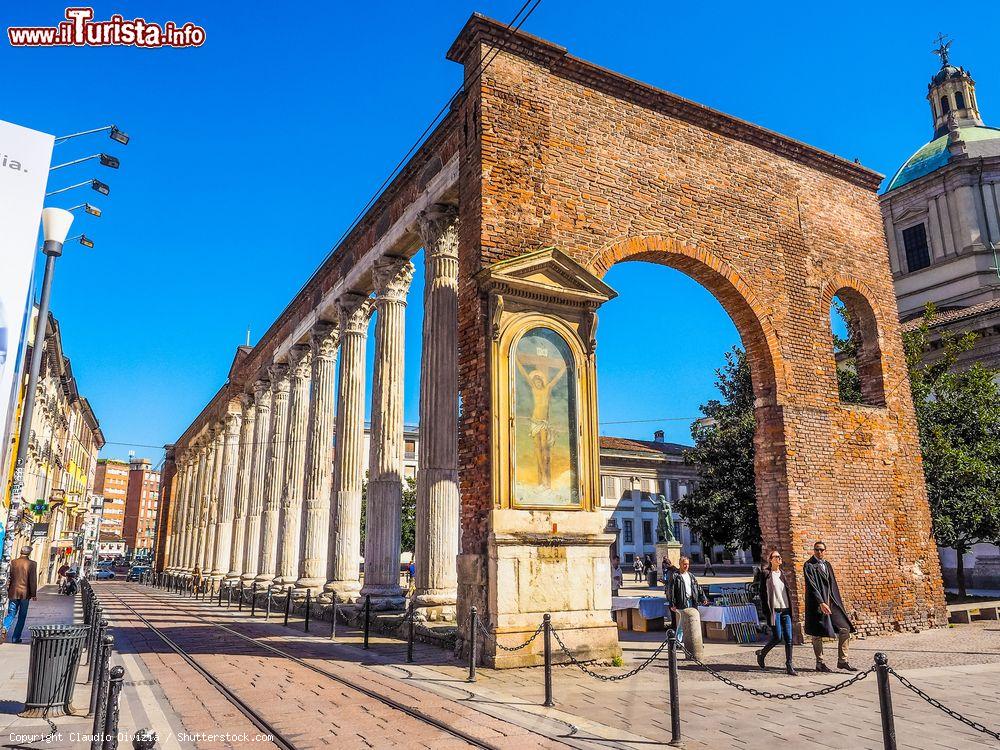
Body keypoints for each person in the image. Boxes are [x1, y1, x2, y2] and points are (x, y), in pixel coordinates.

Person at [803, 541, 856, 672]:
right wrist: (821, 602)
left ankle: (843, 661)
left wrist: (836, 602)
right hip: (817, 604)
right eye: (816, 550)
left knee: (845, 628)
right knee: (817, 634)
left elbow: (833, 585)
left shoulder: (827, 564)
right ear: (813, 550)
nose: (819, 552)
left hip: (832, 603)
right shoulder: (809, 565)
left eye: (821, 550)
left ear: (825, 551)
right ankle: (819, 663)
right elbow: (812, 586)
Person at [755, 550, 797, 676]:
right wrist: (766, 611)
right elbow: (763, 594)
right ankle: (762, 654)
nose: (779, 559)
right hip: (775, 611)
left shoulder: (783, 574)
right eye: (776, 557)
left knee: (789, 638)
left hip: (786, 611)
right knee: (778, 637)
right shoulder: (766, 574)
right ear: (770, 560)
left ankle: (789, 664)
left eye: (779, 557)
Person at [669, 556, 709, 660]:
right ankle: (677, 641)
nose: (686, 566)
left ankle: (696, 642)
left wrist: (703, 597)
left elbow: (698, 588)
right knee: (682, 622)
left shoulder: (691, 576)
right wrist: (672, 603)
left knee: (694, 621)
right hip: (682, 602)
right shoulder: (675, 576)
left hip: (691, 601)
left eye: (687, 564)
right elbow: (671, 590)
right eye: (684, 564)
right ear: (680, 564)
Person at [4, 547, 38, 644]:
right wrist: (33, 594)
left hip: (13, 592)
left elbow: (9, 577)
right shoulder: (32, 564)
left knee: (11, 613)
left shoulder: (13, 562)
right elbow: (32, 580)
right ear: (29, 553)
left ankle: (5, 628)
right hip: (25, 594)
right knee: (21, 617)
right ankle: (15, 638)